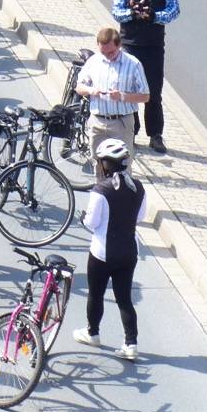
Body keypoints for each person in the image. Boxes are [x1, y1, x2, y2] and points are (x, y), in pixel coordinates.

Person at [74, 138, 149, 362]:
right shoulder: (138, 187)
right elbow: (141, 217)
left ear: (105, 164)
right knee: (124, 298)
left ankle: (92, 333)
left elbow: (92, 222)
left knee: (96, 294)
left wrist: (83, 218)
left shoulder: (101, 190)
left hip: (102, 253)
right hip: (128, 252)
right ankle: (130, 343)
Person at [112, 0, 180, 153]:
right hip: (130, 44)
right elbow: (116, 11)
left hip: (153, 45)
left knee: (153, 91)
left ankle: (156, 134)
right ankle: (131, 131)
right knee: (129, 89)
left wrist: (154, 16)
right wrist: (132, 13)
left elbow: (174, 10)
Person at [76, 24, 149, 160]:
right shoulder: (94, 61)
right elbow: (79, 87)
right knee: (98, 166)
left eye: (111, 53)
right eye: (103, 52)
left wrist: (122, 96)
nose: (108, 57)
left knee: (122, 167)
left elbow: (145, 96)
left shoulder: (133, 64)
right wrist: (91, 90)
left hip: (121, 123)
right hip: (97, 122)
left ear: (119, 46)